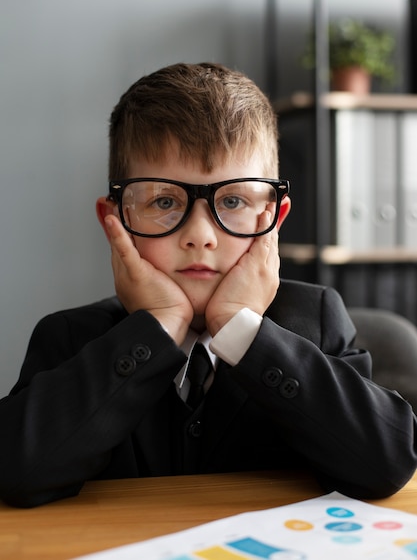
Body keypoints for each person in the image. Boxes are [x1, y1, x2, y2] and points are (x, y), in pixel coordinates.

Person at [0, 63, 416, 508]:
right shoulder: (68, 338)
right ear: (116, 220)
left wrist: (242, 330)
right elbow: (15, 473)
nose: (201, 235)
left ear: (274, 219)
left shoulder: (316, 319)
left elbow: (387, 464)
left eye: (233, 200)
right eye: (164, 201)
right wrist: (157, 327)